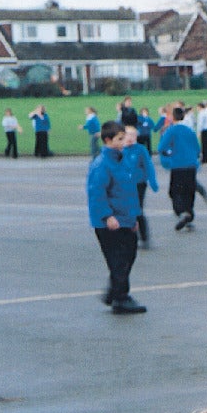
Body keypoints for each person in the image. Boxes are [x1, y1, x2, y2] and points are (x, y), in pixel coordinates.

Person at [87, 120, 145, 314]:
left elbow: (128, 192)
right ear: (107, 140)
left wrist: (134, 217)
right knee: (118, 259)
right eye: (119, 139)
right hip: (110, 222)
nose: (124, 141)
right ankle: (121, 298)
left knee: (129, 254)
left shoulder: (123, 161)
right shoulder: (102, 164)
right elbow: (97, 194)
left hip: (125, 218)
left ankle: (113, 291)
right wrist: (107, 216)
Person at [157, 103, 202, 230]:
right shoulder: (190, 130)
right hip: (191, 165)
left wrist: (169, 153)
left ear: (173, 117)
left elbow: (161, 148)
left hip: (177, 165)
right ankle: (189, 215)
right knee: (189, 191)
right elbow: (197, 148)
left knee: (175, 192)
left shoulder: (171, 130)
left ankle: (182, 212)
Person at [121, 123, 158, 249]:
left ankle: (144, 236)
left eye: (133, 135)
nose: (130, 138)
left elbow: (148, 166)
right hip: (124, 185)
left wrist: (152, 181)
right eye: (127, 135)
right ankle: (130, 236)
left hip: (139, 184)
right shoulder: (120, 150)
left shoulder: (140, 150)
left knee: (138, 210)